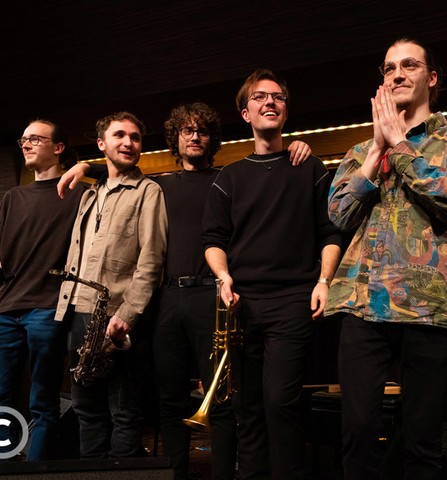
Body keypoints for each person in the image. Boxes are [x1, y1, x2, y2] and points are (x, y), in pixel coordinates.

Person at [58, 102, 312, 479]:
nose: (195, 137)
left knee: (222, 401)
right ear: (175, 138)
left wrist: (296, 148)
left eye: (202, 131)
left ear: (213, 139)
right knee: (170, 401)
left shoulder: (229, 179)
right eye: (187, 131)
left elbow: (269, 177)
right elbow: (118, 170)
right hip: (167, 300)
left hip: (213, 297)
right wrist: (86, 167)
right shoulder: (158, 185)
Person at [325, 38, 447, 479]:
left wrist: (400, 144)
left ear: (432, 78)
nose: (397, 74)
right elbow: (339, 214)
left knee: (421, 439)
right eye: (389, 68)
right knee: (357, 432)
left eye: (409, 65)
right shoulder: (361, 151)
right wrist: (377, 149)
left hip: (426, 305)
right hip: (361, 303)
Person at [202, 68, 342, 480]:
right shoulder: (229, 176)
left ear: (285, 110)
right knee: (248, 406)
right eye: (260, 97)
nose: (270, 102)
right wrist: (223, 277)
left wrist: (324, 281)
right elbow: (213, 238)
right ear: (246, 113)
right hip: (241, 303)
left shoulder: (309, 166)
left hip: (292, 301)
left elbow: (331, 232)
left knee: (281, 401)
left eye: (278, 97)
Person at [55, 111, 168, 458]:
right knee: (86, 410)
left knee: (124, 411)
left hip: (118, 315)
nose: (128, 142)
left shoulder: (149, 191)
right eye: (119, 135)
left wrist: (128, 314)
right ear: (101, 144)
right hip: (78, 312)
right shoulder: (89, 194)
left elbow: (152, 258)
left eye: (135, 137)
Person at [0, 120, 85, 461]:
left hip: (48, 308)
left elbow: (118, 173)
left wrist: (85, 166)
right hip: (7, 308)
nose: (26, 144)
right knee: (2, 400)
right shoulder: (12, 197)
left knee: (43, 402)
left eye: (35, 139)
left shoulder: (81, 194)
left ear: (59, 148)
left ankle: (34, 472)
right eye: (23, 139)